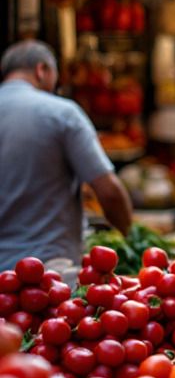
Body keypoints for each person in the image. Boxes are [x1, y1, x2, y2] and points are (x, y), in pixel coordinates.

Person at [0, 40, 132, 272]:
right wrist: (129, 236)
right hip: (47, 270)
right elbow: (109, 191)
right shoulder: (61, 113)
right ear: (42, 70)